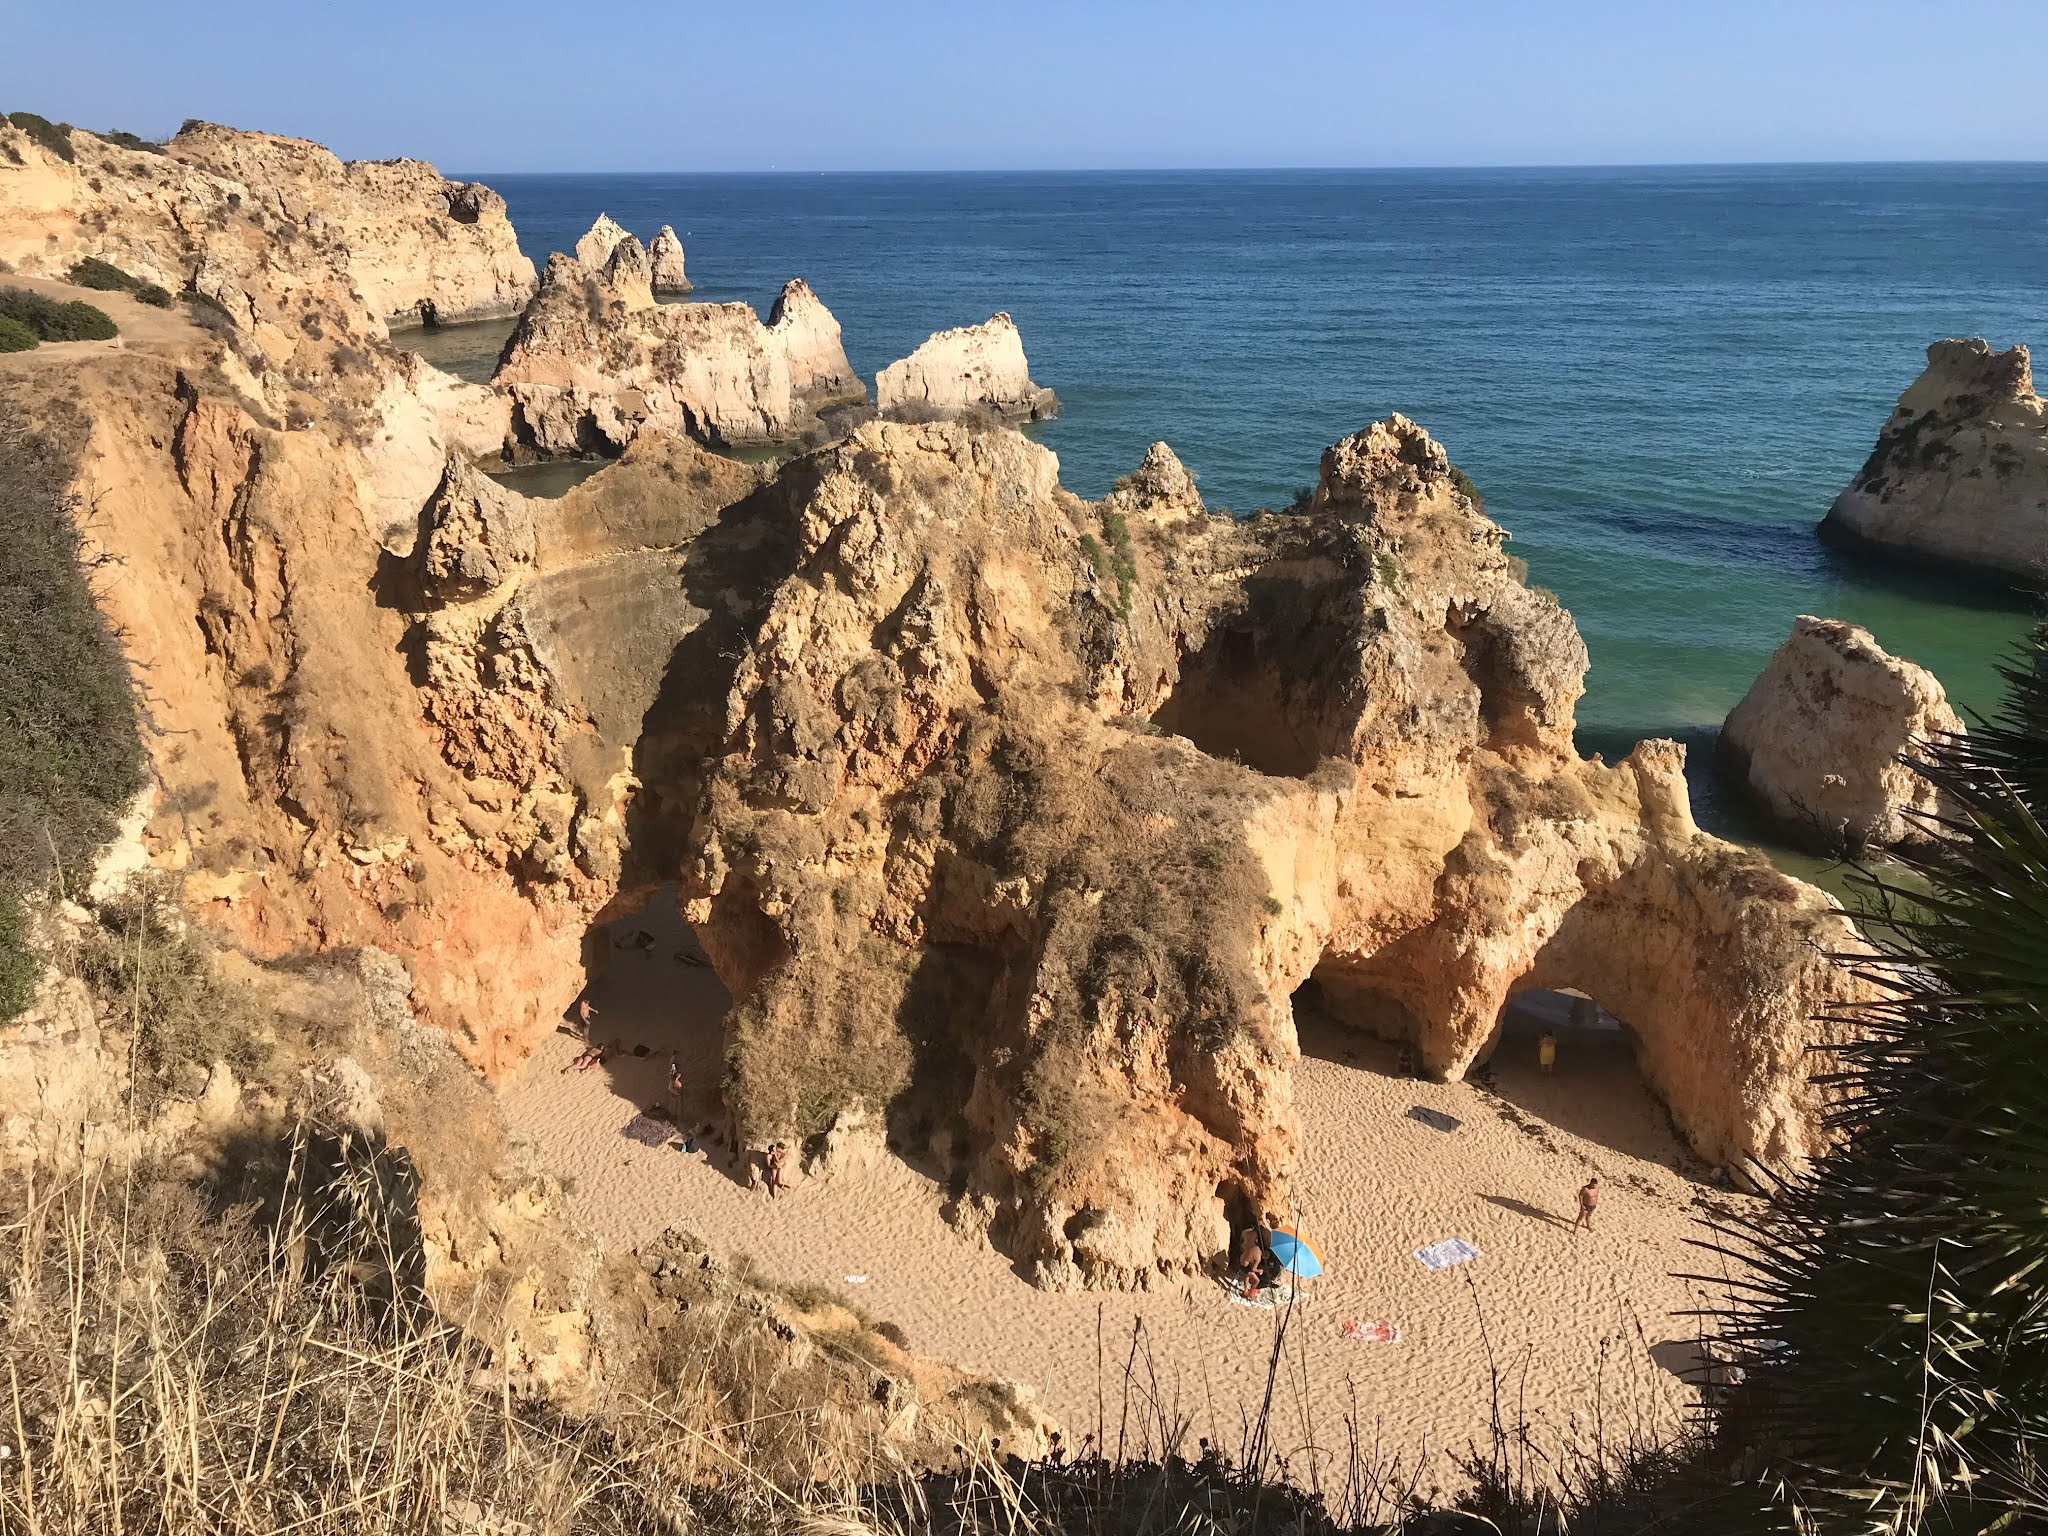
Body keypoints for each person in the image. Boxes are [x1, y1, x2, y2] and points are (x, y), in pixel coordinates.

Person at [1234, 1224, 1266, 1300]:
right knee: (1256, 1280)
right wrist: (1260, 1271)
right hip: (1244, 1267)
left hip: (1243, 1256)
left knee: (1247, 1275)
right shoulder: (1258, 1258)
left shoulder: (1256, 1248)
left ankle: (1245, 1290)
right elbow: (1253, 1269)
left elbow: (1241, 1240)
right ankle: (1251, 1294)